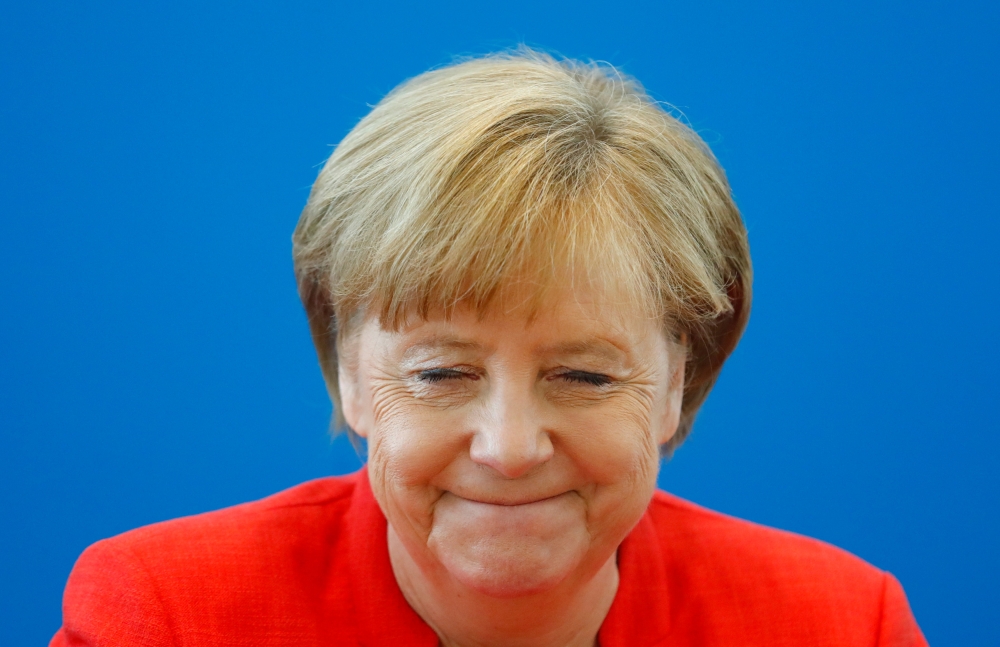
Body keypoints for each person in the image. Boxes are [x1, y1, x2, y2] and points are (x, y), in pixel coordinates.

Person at [51, 50, 927, 647]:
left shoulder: (842, 621)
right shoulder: (164, 616)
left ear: (676, 388)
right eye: (441, 373)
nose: (508, 449)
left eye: (582, 374)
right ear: (350, 377)